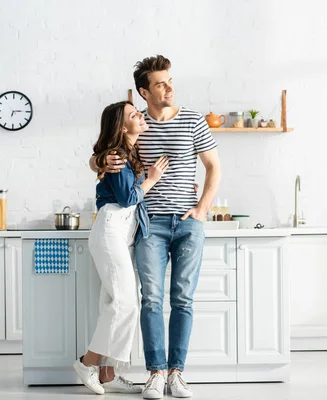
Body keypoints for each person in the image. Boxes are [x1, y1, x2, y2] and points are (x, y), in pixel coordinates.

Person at [90, 55, 221, 399]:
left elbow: (214, 168)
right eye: (161, 84)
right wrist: (97, 160)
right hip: (149, 225)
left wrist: (202, 208)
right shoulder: (137, 124)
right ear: (144, 92)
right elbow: (108, 152)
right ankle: (155, 374)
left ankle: (177, 373)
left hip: (188, 222)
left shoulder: (193, 120)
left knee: (183, 298)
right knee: (150, 299)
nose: (169, 88)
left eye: (170, 81)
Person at [74, 101, 169, 395]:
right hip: (111, 230)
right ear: (121, 126)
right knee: (126, 303)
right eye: (133, 115)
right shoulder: (116, 155)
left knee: (112, 303)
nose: (140, 116)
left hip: (124, 232)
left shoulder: (129, 153)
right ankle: (86, 362)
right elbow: (128, 198)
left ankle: (108, 373)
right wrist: (152, 179)